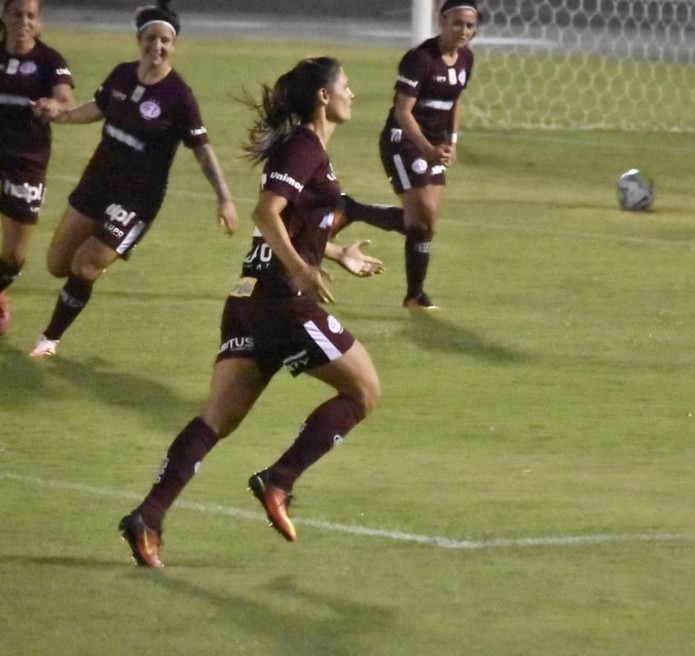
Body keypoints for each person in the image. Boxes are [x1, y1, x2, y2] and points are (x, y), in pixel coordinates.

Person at [119, 56, 384, 568]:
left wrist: (333, 254)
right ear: (324, 97)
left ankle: (148, 517)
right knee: (364, 390)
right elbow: (266, 213)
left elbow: (292, 221)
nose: (353, 93)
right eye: (346, 86)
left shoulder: (305, 150)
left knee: (216, 419)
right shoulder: (305, 146)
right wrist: (302, 272)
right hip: (283, 301)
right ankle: (279, 481)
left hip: (249, 300)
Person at [27, 0, 238, 356]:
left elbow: (202, 149)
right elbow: (97, 108)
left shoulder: (179, 96)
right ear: (139, 39)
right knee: (56, 265)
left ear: (174, 45)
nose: (158, 46)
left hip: (136, 198)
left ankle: (49, 339)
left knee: (84, 264)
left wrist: (225, 196)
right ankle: (95, 268)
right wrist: (58, 115)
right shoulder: (122, 74)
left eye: (165, 41)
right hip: (97, 182)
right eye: (151, 38)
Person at [335, 0, 481, 310]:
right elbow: (403, 112)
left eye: (470, 25)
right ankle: (414, 294)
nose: (463, 31)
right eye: (457, 23)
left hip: (433, 145)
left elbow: (455, 102)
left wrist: (451, 141)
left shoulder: (466, 59)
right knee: (424, 213)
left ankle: (353, 211)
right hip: (402, 141)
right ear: (442, 21)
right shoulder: (420, 60)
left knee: (422, 224)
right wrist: (428, 150)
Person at [0, 0, 74, 336]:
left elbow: (65, 99)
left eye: (31, 15)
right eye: (17, 14)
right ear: (4, 17)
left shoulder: (49, 61)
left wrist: (53, 106)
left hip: (26, 165)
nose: (24, 21)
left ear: (39, 22)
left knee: (14, 256)